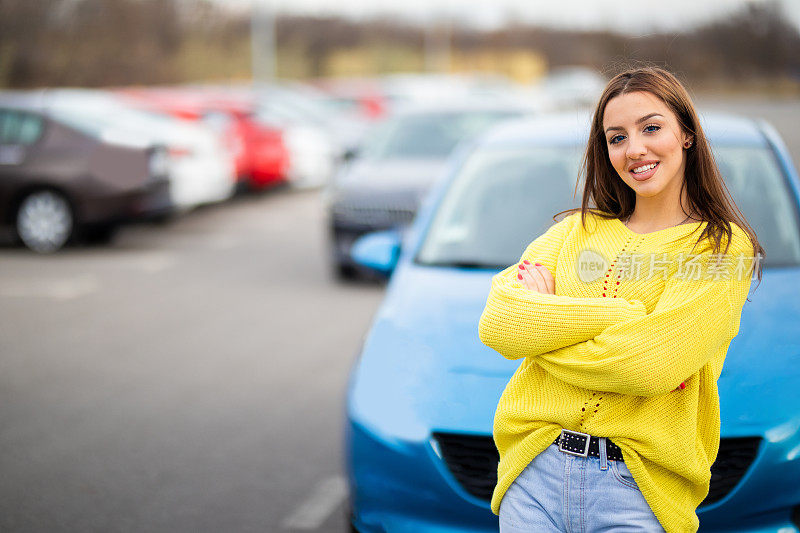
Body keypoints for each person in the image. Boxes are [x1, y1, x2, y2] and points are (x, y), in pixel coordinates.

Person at [478, 66, 765, 533]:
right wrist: (624, 317)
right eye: (616, 137)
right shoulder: (575, 231)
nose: (634, 149)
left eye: (651, 127)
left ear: (687, 134)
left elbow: (649, 365)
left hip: (636, 490)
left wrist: (544, 334)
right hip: (534, 476)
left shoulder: (720, 247)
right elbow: (499, 323)